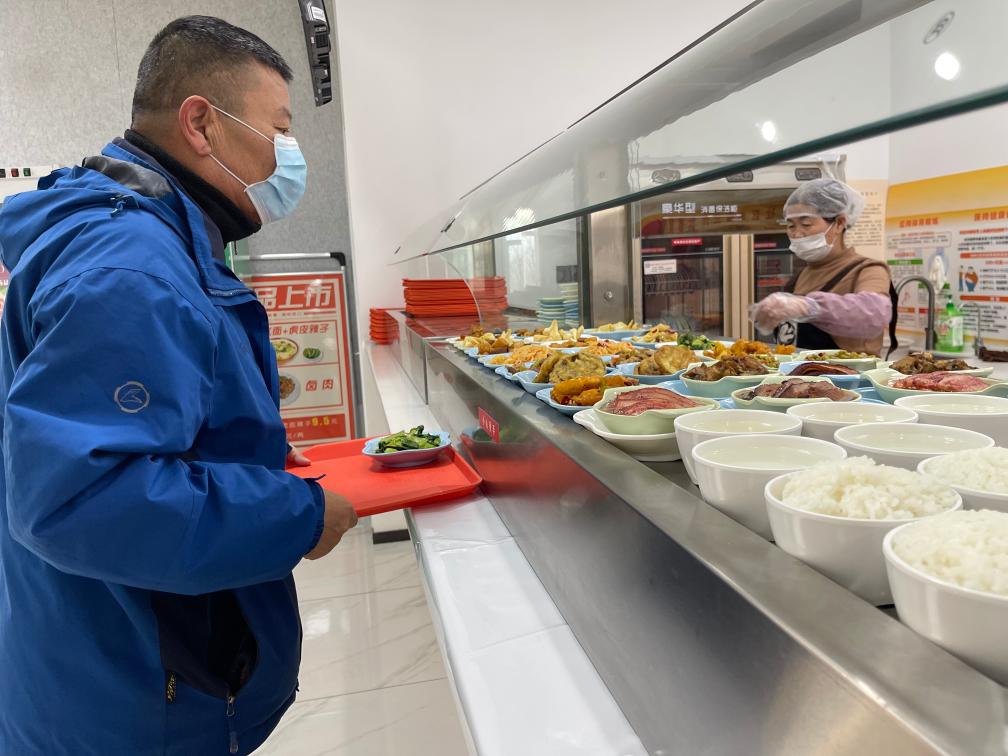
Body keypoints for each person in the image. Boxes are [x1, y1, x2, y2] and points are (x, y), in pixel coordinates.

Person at [0, 16, 358, 755]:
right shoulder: (130, 266)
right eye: (279, 129)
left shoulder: (137, 233)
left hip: (92, 662)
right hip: (135, 703)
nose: (289, 154)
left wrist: (250, 457)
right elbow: (80, 499)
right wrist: (295, 516)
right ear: (201, 124)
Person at [750, 178, 898, 357]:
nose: (797, 233)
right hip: (797, 372)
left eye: (806, 224)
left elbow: (874, 313)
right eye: (790, 226)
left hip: (848, 374)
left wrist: (811, 307)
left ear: (839, 223)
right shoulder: (800, 276)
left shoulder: (867, 269)